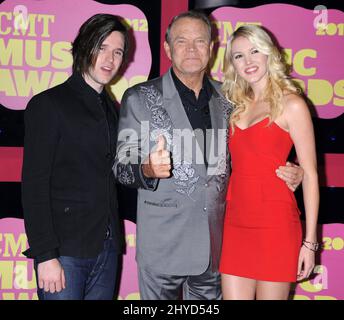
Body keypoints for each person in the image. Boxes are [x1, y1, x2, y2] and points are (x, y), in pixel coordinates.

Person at [113, 11, 302, 300]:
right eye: (181, 41)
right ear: (167, 49)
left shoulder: (230, 100)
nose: (191, 49)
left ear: (211, 49)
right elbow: (121, 166)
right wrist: (147, 168)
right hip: (163, 251)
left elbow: (253, 150)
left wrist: (294, 169)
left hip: (215, 249)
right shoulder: (139, 98)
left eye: (200, 41)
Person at [21, 14, 130, 300]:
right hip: (64, 252)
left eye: (117, 51)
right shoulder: (48, 104)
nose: (109, 58)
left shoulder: (114, 111)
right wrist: (45, 256)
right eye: (101, 47)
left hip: (107, 250)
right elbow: (34, 186)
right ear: (84, 47)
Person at [219, 25, 319, 300]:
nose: (248, 61)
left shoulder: (292, 105)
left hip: (275, 225)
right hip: (235, 223)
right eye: (238, 56)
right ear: (232, 65)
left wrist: (310, 244)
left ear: (269, 54)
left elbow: (310, 175)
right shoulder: (233, 105)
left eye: (254, 52)